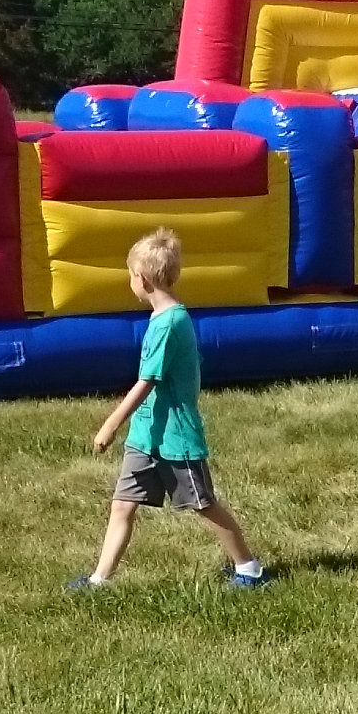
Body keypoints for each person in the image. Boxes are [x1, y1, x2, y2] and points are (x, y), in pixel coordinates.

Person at [73, 228, 266, 590]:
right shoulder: (162, 318)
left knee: (203, 504)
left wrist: (111, 423)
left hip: (174, 437)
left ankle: (250, 569)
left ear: (141, 278)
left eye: (129, 274)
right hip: (146, 436)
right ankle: (100, 580)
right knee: (122, 505)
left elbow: (148, 381)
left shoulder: (171, 323)